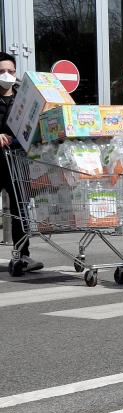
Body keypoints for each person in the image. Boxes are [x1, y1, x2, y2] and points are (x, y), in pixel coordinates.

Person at [0, 52, 42, 272]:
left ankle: (22, 256)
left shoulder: (23, 96)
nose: (7, 75)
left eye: (11, 71)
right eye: (1, 71)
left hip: (16, 161)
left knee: (20, 209)